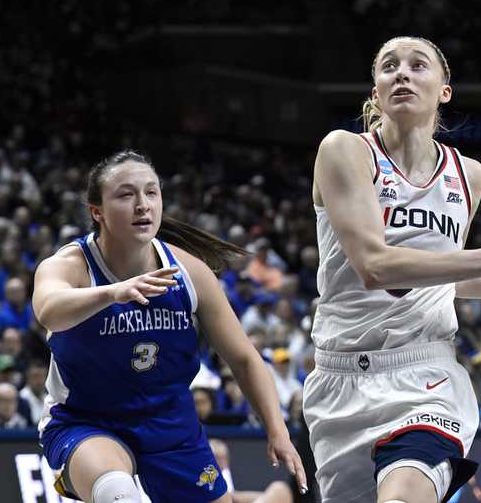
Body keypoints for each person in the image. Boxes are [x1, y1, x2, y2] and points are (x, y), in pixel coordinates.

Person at [306, 35, 481, 503]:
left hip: (426, 374)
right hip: (341, 375)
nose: (403, 73)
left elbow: (439, 275)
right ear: (375, 92)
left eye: (418, 65)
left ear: (444, 90)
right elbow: (375, 267)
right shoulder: (344, 150)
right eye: (389, 66)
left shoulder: (467, 174)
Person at [32, 150, 306, 503]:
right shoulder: (71, 265)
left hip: (171, 426)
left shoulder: (189, 272)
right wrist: (112, 293)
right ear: (95, 210)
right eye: (126, 194)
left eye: (151, 192)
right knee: (118, 493)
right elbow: (48, 309)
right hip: (87, 421)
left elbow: (245, 359)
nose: (143, 204)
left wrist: (276, 428)